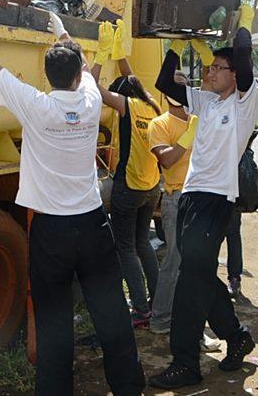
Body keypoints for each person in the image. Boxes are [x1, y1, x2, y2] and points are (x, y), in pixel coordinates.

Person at [0, 0, 145, 395]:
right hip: (94, 227)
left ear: (47, 77)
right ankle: (129, 387)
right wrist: (60, 28)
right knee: (111, 311)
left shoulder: (37, 106)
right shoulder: (91, 100)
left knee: (53, 321)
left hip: (51, 234)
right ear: (78, 76)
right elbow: (84, 68)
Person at [148, 5, 258, 390]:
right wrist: (177, 46)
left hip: (216, 200)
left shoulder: (244, 102)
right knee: (197, 272)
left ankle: (185, 362)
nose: (210, 72)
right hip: (191, 196)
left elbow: (244, 60)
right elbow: (166, 83)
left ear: (234, 76)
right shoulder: (207, 101)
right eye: (209, 67)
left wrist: (241, 27)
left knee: (189, 281)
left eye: (217, 68)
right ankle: (237, 335)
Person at [90, 21, 161, 328]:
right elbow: (134, 81)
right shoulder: (152, 106)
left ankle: (141, 312)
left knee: (126, 248)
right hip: (152, 187)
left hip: (129, 187)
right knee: (143, 243)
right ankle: (159, 302)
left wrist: (102, 54)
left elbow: (92, 88)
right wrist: (121, 55)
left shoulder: (127, 106)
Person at [147, 71, 198, 335]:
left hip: (199, 197)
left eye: (184, 86)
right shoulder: (160, 124)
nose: (180, 91)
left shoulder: (198, 119)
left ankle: (187, 319)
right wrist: (188, 137)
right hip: (176, 198)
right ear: (167, 93)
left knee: (195, 263)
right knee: (174, 261)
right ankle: (160, 319)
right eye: (175, 86)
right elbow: (166, 160)